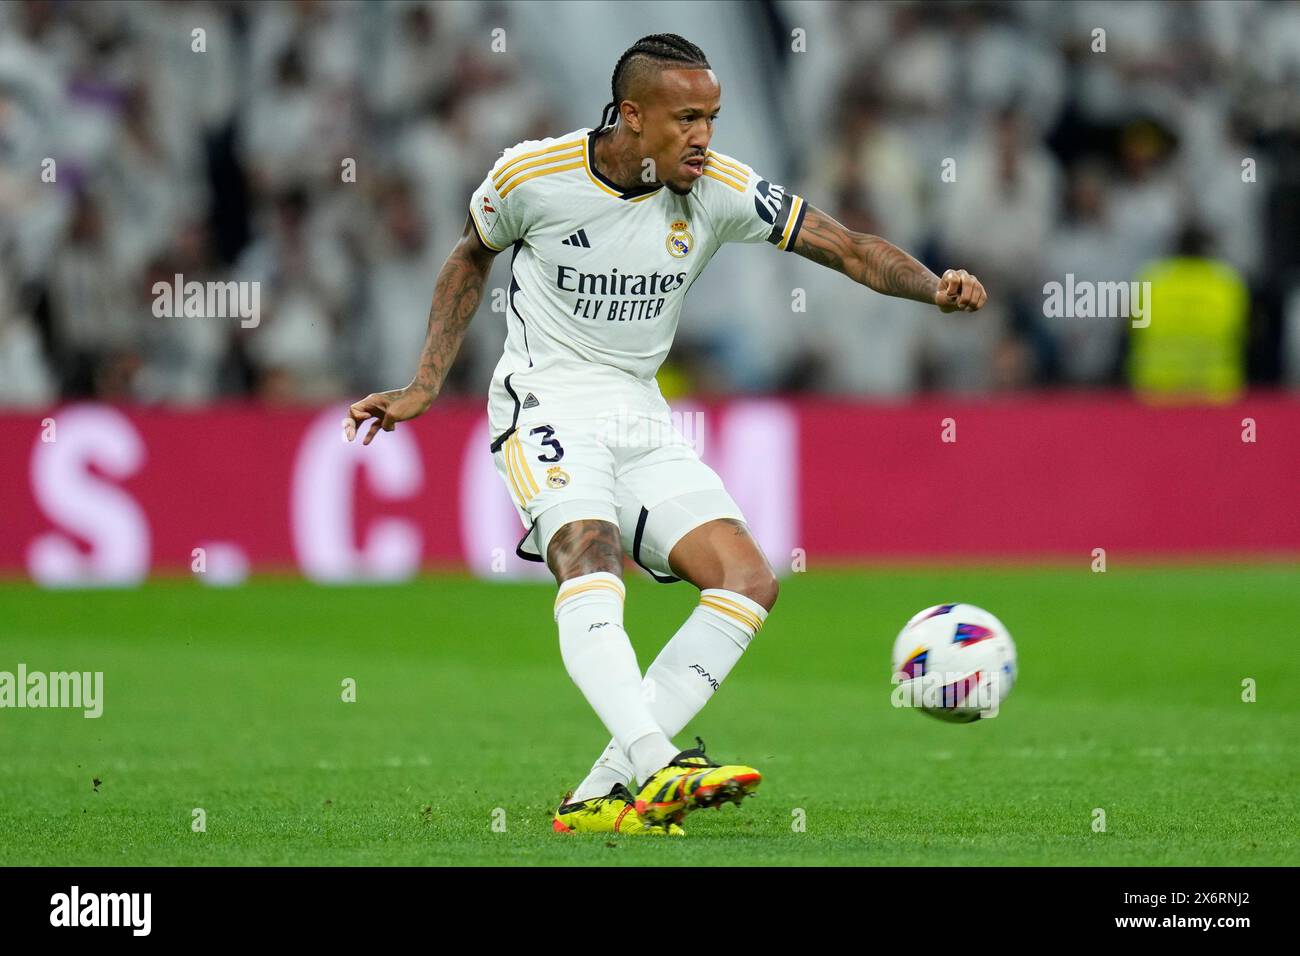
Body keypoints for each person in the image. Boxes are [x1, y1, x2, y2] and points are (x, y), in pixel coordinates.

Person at [344, 34, 986, 835]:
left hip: (640, 413)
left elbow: (849, 248)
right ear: (632, 114)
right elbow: (471, 256)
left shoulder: (717, 188)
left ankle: (600, 794)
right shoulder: (531, 176)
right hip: (545, 400)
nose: (705, 137)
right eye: (687, 118)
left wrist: (935, 288)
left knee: (748, 580)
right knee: (589, 552)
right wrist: (426, 382)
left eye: (712, 117)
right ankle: (657, 761)